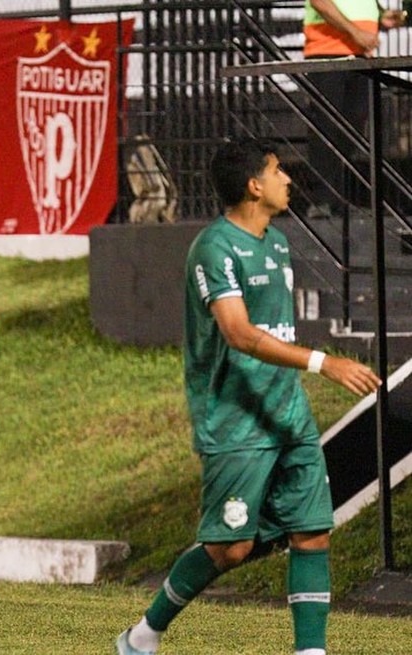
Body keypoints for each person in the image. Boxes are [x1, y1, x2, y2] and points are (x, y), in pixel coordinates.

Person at [115, 138, 382, 655]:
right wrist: (323, 361)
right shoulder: (214, 249)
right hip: (236, 422)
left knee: (313, 532)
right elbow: (238, 333)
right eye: (278, 171)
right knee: (230, 547)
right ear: (254, 185)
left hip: (289, 416)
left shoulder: (277, 243)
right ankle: (142, 637)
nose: (288, 180)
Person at [303, 0, 406, 218]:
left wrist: (380, 18)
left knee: (353, 127)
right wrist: (356, 32)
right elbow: (320, 3)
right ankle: (321, 199)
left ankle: (337, 198)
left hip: (360, 54)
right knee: (326, 125)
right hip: (327, 51)